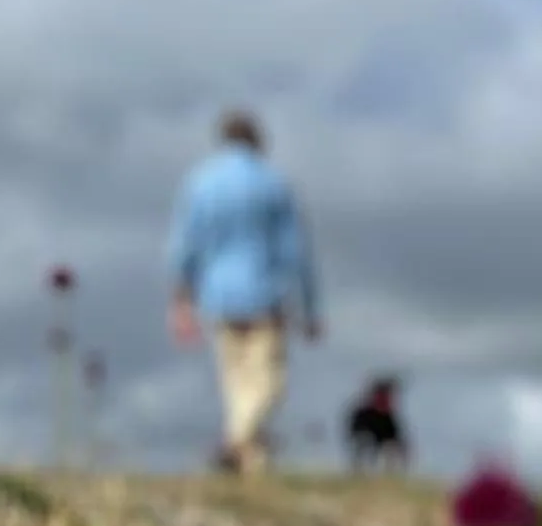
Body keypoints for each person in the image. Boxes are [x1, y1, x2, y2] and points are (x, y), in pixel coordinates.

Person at [165, 110, 322, 473]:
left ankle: (247, 464)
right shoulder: (274, 184)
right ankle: (236, 441)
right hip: (266, 294)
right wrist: (311, 307)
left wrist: (181, 300)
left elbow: (183, 246)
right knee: (268, 383)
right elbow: (296, 251)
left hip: (217, 295)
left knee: (237, 383)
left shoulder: (200, 183)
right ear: (258, 140)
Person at [346, 375, 408, 470]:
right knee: (364, 442)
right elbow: (355, 432)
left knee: (392, 449)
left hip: (380, 448)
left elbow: (395, 437)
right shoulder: (363, 414)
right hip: (366, 446)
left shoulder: (388, 418)